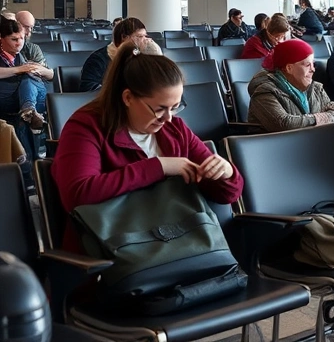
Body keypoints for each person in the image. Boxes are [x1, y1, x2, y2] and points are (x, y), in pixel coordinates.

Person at [51, 43, 243, 252]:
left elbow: (227, 195)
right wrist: (159, 166)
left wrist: (226, 172)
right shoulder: (86, 126)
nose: (168, 118)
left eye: (175, 107)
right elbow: (77, 195)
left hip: (177, 246)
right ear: (127, 98)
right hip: (112, 254)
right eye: (159, 109)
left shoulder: (174, 129)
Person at [248, 39, 334, 133]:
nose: (313, 70)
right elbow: (283, 123)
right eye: (307, 65)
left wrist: (329, 116)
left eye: (313, 64)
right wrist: (321, 118)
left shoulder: (316, 88)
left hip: (311, 144)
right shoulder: (264, 92)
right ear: (289, 68)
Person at [81, 18, 160, 91]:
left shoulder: (139, 56)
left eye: (145, 36)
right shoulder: (98, 60)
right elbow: (88, 87)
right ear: (124, 37)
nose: (145, 40)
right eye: (140, 36)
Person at [0, 18, 47, 131]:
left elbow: (50, 75)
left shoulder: (27, 51)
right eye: (14, 39)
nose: (19, 43)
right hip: (8, 97)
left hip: (31, 94)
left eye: (22, 38)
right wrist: (21, 69)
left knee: (29, 78)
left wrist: (37, 70)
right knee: (27, 78)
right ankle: (29, 111)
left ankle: (29, 110)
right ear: (1, 39)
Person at [14, 11, 53, 82]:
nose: (28, 33)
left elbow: (48, 75)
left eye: (31, 28)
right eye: (25, 27)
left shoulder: (33, 49)